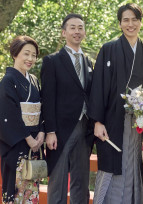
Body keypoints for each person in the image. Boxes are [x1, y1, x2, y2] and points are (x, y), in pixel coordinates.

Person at [88, 3, 143, 204]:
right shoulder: (108, 49)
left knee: (133, 163)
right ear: (120, 23)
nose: (131, 24)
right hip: (112, 119)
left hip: (140, 122)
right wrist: (97, 121)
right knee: (113, 163)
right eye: (126, 20)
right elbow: (98, 86)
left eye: (135, 19)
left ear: (140, 22)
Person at [41, 13, 93, 204]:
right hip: (60, 130)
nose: (77, 31)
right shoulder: (52, 61)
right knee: (58, 181)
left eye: (80, 27)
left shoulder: (88, 61)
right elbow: (47, 98)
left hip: (85, 128)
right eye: (72, 27)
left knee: (81, 181)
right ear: (64, 32)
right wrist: (50, 131)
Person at [0, 36, 44, 203]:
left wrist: (40, 131)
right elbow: (8, 115)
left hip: (34, 143)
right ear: (15, 54)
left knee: (31, 189)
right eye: (26, 54)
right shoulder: (8, 81)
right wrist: (28, 138)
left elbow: (41, 108)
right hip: (17, 143)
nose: (30, 59)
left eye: (34, 55)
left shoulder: (33, 80)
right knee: (16, 189)